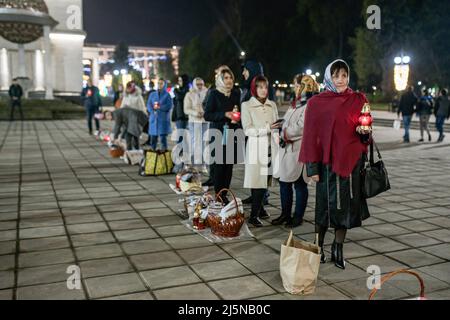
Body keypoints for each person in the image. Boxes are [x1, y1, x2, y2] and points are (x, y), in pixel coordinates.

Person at [300, 59, 372, 270]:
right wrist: (312, 169)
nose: (341, 80)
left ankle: (338, 247)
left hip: (351, 165)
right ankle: (318, 246)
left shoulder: (358, 99)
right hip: (326, 166)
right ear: (328, 77)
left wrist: (364, 132)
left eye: (344, 75)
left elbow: (366, 129)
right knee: (323, 209)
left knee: (346, 209)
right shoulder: (316, 103)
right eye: (336, 75)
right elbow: (310, 137)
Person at [272, 74, 319, 228]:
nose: (295, 88)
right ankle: (285, 214)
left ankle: (298, 216)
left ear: (305, 87)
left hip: (299, 151)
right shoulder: (296, 104)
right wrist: (282, 124)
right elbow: (290, 121)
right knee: (284, 183)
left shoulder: (311, 105)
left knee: (299, 184)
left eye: (298, 85)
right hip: (288, 150)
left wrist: (285, 132)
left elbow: (301, 127)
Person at [241, 76, 279, 227]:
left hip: (271, 147)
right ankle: (253, 215)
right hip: (256, 148)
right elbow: (247, 129)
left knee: (265, 180)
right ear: (254, 89)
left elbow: (275, 126)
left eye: (265, 87)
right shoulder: (246, 105)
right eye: (260, 87)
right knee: (258, 182)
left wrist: (278, 136)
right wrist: (267, 129)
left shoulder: (273, 105)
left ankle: (261, 208)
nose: (263, 90)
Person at [204, 66, 242, 201]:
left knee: (228, 167)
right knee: (219, 166)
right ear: (220, 80)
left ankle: (225, 193)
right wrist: (224, 114)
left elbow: (239, 111)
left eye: (231, 77)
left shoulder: (236, 94)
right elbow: (207, 115)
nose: (229, 80)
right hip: (218, 133)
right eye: (226, 78)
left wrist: (238, 117)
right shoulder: (214, 94)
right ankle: (219, 194)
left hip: (232, 133)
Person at [241, 60, 273, 205]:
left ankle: (261, 198)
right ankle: (256, 197)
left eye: (246, 70)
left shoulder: (260, 88)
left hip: (262, 137)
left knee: (261, 170)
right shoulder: (248, 87)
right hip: (253, 134)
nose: (243, 73)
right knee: (254, 170)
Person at [184, 77, 209, 172]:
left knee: (205, 143)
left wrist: (205, 113)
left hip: (205, 121)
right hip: (194, 122)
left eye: (201, 84)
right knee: (195, 144)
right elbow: (186, 109)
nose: (199, 86)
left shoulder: (207, 92)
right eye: (197, 84)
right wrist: (195, 113)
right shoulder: (189, 94)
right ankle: (195, 164)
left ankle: (204, 164)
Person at [118, 81, 148, 150]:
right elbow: (122, 107)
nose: (128, 89)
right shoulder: (126, 96)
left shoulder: (138, 97)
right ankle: (129, 154)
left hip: (136, 120)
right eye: (127, 87)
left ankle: (137, 154)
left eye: (130, 87)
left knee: (135, 138)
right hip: (127, 120)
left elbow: (142, 108)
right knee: (128, 137)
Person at [147, 78, 173, 151]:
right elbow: (148, 104)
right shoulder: (152, 94)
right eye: (158, 83)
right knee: (153, 140)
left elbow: (169, 105)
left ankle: (164, 157)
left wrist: (159, 107)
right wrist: (152, 111)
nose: (159, 85)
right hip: (153, 119)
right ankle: (152, 157)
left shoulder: (167, 95)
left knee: (163, 140)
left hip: (162, 119)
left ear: (164, 84)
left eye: (161, 83)